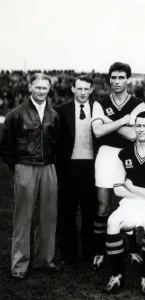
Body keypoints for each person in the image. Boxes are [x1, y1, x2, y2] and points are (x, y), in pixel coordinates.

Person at [0, 73, 60, 279]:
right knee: (23, 217)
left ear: (49, 89)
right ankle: (19, 265)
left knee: (48, 216)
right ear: (30, 87)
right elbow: (5, 144)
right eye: (38, 87)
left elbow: (56, 143)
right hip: (25, 166)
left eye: (45, 88)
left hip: (49, 167)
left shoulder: (53, 114)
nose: (42, 91)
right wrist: (16, 166)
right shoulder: (16, 113)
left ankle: (45, 260)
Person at [103, 111, 145, 295]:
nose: (141, 129)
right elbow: (117, 189)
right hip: (131, 203)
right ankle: (117, 275)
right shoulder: (124, 154)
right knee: (112, 222)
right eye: (137, 126)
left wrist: (132, 188)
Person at [91, 62, 145, 270]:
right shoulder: (100, 103)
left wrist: (108, 121)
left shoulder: (139, 104)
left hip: (129, 156)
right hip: (105, 155)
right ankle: (99, 251)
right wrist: (123, 120)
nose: (116, 82)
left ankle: (132, 250)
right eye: (113, 78)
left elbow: (134, 135)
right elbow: (98, 132)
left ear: (128, 79)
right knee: (103, 206)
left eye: (121, 77)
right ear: (109, 79)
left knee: (128, 204)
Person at [55, 75, 98, 265]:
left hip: (91, 166)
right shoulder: (60, 111)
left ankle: (90, 254)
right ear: (73, 89)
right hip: (69, 166)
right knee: (67, 212)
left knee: (90, 212)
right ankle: (68, 255)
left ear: (91, 89)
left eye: (86, 89)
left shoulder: (98, 109)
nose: (82, 92)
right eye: (79, 88)